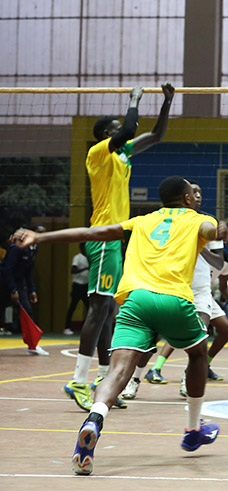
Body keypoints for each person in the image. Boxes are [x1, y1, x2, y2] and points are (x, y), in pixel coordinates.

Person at [11, 176, 226, 475]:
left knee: (118, 370)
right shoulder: (197, 219)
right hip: (173, 300)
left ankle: (93, 420)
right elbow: (212, 230)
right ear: (188, 199)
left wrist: (39, 237)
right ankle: (192, 429)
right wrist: (221, 229)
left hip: (135, 301)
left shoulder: (140, 222)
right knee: (198, 353)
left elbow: (90, 231)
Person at [65, 83, 174, 412]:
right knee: (99, 309)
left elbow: (155, 136)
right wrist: (134, 99)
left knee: (109, 311)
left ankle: (101, 381)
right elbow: (129, 127)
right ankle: (78, 381)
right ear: (105, 135)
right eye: (116, 131)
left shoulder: (122, 154)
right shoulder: (98, 153)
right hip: (101, 236)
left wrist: (168, 102)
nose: (124, 134)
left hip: (114, 238)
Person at [123, 180, 228, 399]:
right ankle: (134, 379)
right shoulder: (165, 222)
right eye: (194, 192)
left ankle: (187, 377)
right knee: (150, 340)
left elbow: (218, 263)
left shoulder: (207, 224)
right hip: (170, 286)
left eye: (200, 192)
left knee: (200, 338)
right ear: (186, 196)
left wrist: (197, 246)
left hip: (199, 292)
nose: (198, 195)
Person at [0, 225, 49, 355]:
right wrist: (12, 289)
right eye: (38, 233)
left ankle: (32, 346)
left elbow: (28, 271)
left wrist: (32, 290)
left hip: (19, 283)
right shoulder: (17, 247)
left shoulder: (33, 249)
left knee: (27, 310)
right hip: (4, 282)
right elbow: (6, 269)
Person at [65, 243, 90, 335]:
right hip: (77, 285)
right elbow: (73, 270)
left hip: (86, 285)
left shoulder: (90, 257)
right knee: (73, 306)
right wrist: (85, 268)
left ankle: (89, 328)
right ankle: (66, 327)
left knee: (90, 307)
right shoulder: (78, 257)